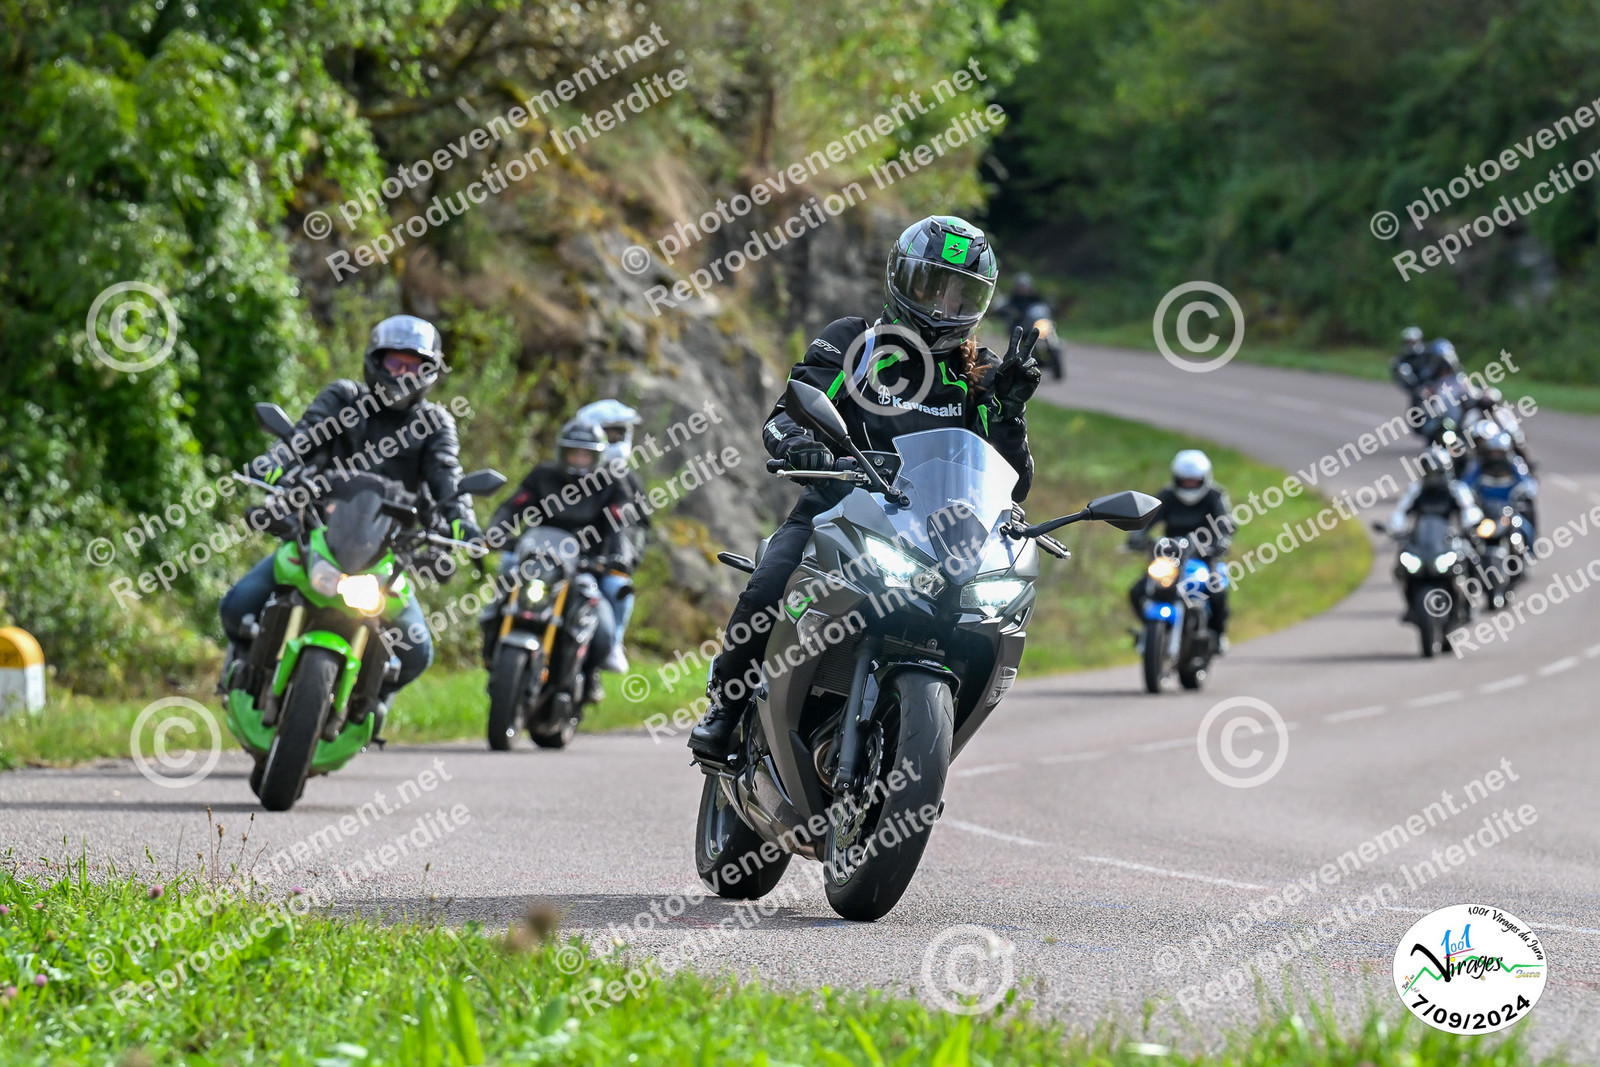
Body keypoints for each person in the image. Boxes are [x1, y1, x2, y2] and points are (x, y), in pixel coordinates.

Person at [687, 215, 1041, 763]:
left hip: (936, 540)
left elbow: (1012, 481)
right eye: (933, 286)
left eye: (960, 294)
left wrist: (1010, 410)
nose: (944, 306)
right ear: (900, 277)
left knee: (985, 622)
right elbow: (788, 412)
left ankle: (917, 756)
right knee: (770, 583)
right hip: (838, 513)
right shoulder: (855, 342)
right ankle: (726, 706)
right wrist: (799, 444)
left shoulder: (981, 374)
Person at [219, 314, 483, 728]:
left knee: (416, 653)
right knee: (237, 605)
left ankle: (370, 704)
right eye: (395, 363)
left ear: (430, 372)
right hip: (319, 535)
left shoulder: (434, 424)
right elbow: (303, 438)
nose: (403, 374)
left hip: (386, 553)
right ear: (376, 362)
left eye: (414, 366)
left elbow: (447, 476)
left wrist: (462, 522)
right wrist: (275, 463)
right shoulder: (344, 398)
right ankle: (240, 669)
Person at [479, 417, 629, 703]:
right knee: (505, 574)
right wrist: (495, 533)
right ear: (562, 452)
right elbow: (514, 506)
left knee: (603, 628)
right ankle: (491, 649)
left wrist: (619, 556)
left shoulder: (611, 483)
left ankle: (590, 672)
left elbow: (619, 523)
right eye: (574, 453)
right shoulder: (542, 476)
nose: (580, 460)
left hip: (584, 567)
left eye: (586, 455)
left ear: (597, 457)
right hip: (537, 559)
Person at [1126, 449, 1234, 648]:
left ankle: (1218, 635)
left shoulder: (1215, 495)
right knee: (1137, 591)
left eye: (1194, 481)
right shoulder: (1166, 496)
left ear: (1204, 478)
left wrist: (1221, 540)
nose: (1189, 485)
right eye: (1185, 481)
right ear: (1176, 478)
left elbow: (1225, 521)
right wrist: (1136, 537)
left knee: (1217, 591)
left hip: (1204, 556)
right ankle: (1150, 633)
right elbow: (1146, 519)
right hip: (1170, 557)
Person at [575, 399, 650, 673]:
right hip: (564, 555)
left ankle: (612, 643)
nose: (614, 442)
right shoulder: (566, 473)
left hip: (606, 561)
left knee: (617, 588)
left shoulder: (627, 480)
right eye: (608, 434)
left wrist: (627, 559)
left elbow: (640, 526)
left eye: (619, 435)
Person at [1462, 425, 1538, 540]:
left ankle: (1530, 548)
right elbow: (1465, 484)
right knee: (1468, 533)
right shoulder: (1478, 465)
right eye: (1492, 452)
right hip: (1484, 513)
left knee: (1525, 529)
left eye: (1498, 452)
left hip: (1509, 512)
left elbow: (1528, 482)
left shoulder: (1515, 463)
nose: (1495, 456)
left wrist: (1523, 493)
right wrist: (1468, 501)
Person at [1391, 326, 1428, 401]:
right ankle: (1417, 391)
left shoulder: (1427, 353)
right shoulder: (1406, 356)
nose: (1409, 344)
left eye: (1411, 342)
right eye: (1407, 342)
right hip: (1416, 388)